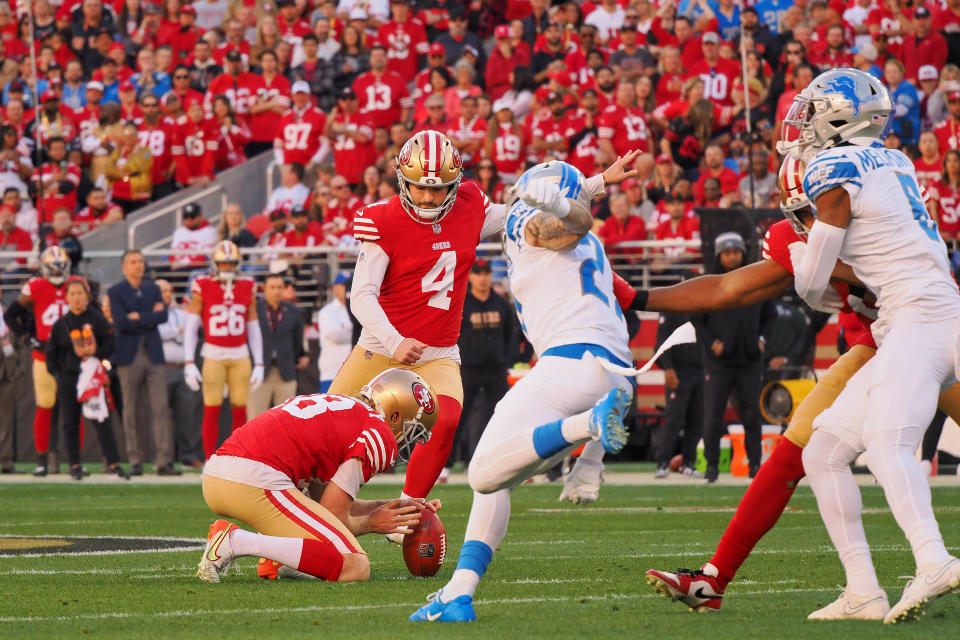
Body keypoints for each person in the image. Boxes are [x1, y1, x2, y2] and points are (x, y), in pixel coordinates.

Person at [329, 130, 636, 513]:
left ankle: (409, 511)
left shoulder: (470, 206)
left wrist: (599, 182)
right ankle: (298, 518)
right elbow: (361, 295)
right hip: (380, 348)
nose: (428, 198)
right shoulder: (383, 219)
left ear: (454, 184)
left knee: (446, 419)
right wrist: (394, 342)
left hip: (438, 352)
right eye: (419, 188)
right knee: (329, 431)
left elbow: (525, 214)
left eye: (438, 189)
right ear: (401, 181)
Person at [410, 161, 633, 623]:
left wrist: (555, 203)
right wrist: (597, 184)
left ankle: (586, 427)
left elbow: (568, 223)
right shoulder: (593, 248)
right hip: (617, 371)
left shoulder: (536, 222)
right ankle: (459, 591)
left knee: (482, 474)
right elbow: (580, 216)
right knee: (501, 471)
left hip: (571, 365)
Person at [780, 68, 960, 623]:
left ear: (839, 112)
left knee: (888, 446)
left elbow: (812, 285)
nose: (803, 118)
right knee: (824, 452)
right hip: (925, 314)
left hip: (919, 317)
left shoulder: (834, 166)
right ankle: (863, 589)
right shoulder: (895, 159)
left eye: (813, 107)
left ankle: (933, 559)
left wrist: (802, 261)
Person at [197, 368, 441, 583]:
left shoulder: (344, 410)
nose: (408, 443)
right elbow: (335, 515)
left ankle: (283, 559)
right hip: (256, 476)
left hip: (224, 473)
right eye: (412, 433)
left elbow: (326, 505)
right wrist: (372, 523)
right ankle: (236, 541)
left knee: (329, 537)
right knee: (355, 566)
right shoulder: (378, 431)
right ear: (395, 415)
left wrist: (396, 508)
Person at [693, 232, 773, 483]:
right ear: (718, 255)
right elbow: (696, 318)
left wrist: (762, 341)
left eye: (736, 252)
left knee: (752, 415)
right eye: (726, 253)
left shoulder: (755, 280)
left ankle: (755, 467)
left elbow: (771, 315)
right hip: (719, 364)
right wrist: (712, 343)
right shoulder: (709, 282)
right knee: (713, 415)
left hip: (749, 361)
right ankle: (712, 467)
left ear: (743, 252)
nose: (732, 257)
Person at [182, 240, 264, 458]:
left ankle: (237, 459)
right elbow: (191, 327)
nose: (227, 267)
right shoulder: (203, 285)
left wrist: (259, 362)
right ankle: (210, 460)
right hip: (213, 354)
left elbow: (253, 326)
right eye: (223, 263)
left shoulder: (247, 285)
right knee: (212, 408)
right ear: (215, 264)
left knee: (240, 409)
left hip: (240, 354)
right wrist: (188, 361)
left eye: (231, 263)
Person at [3, 246, 78, 475]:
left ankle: (75, 461)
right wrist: (27, 338)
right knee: (44, 406)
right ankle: (42, 460)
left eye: (61, 266)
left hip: (73, 354)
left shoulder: (75, 284)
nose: (58, 271)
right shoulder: (35, 286)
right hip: (45, 353)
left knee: (75, 407)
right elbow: (10, 315)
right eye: (54, 266)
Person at [46, 278, 129, 480]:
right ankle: (74, 464)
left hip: (92, 376)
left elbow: (111, 345)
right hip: (69, 377)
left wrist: (96, 353)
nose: (76, 297)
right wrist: (58, 373)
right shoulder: (61, 324)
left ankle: (113, 463)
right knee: (70, 422)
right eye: (72, 293)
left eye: (80, 293)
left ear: (87, 296)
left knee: (102, 420)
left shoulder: (98, 319)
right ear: (67, 297)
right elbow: (52, 353)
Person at [108, 249, 178, 476]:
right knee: (130, 409)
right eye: (133, 262)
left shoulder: (153, 287)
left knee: (161, 408)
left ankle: (164, 461)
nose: (138, 265)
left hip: (153, 353)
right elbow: (121, 322)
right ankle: (135, 460)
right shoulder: (116, 291)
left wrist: (138, 316)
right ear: (124, 266)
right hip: (128, 354)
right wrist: (148, 315)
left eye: (140, 261)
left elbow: (163, 316)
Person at [445, 259, 514, 477]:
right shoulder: (461, 302)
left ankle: (512, 463)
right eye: (478, 273)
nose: (482, 278)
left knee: (506, 415)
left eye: (486, 273)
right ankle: (443, 466)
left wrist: (508, 358)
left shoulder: (501, 303)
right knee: (457, 417)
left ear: (491, 275)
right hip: (468, 369)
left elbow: (511, 334)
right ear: (471, 276)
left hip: (495, 370)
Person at [156, 278, 203, 468]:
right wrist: (177, 331)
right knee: (161, 414)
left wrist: (175, 331)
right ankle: (163, 455)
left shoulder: (180, 313)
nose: (167, 294)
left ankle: (188, 454)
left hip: (183, 367)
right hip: (163, 367)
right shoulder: (154, 313)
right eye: (162, 291)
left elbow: (191, 330)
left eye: (169, 290)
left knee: (187, 413)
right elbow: (159, 332)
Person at [247, 273, 307, 419]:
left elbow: (298, 340)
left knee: (286, 420)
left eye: (280, 287)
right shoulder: (254, 309)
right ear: (264, 289)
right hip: (259, 372)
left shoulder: (294, 311)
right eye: (272, 287)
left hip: (285, 372)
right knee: (255, 420)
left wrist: (302, 355)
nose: (276, 291)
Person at [317, 273, 353, 392]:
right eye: (344, 285)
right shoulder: (327, 312)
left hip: (352, 372)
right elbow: (336, 336)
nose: (348, 287)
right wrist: (358, 332)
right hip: (332, 372)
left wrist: (347, 330)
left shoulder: (357, 308)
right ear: (335, 288)